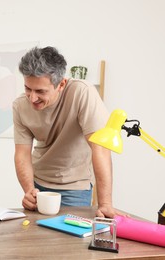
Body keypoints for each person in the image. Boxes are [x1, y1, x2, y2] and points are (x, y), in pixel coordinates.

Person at [13, 46, 122, 218]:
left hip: (75, 187)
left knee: (70, 242)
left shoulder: (81, 93)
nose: (32, 98)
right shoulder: (20, 105)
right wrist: (29, 190)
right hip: (38, 183)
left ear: (61, 84)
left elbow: (100, 148)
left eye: (40, 91)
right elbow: (22, 154)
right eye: (28, 88)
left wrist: (105, 204)